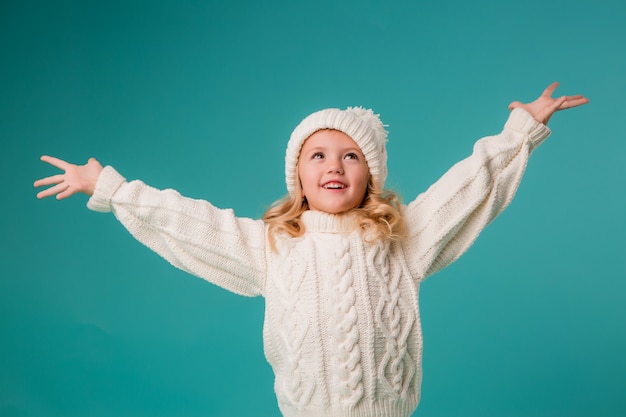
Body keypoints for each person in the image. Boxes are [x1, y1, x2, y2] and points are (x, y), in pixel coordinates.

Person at [34, 82, 588, 417]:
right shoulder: (274, 245)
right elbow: (190, 223)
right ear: (297, 176)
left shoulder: (400, 239)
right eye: (317, 155)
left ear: (371, 175)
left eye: (350, 156)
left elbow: (469, 185)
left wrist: (520, 130)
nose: (333, 166)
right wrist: (110, 187)